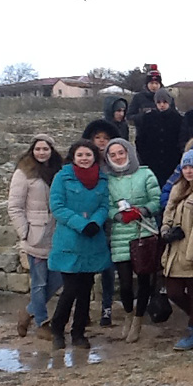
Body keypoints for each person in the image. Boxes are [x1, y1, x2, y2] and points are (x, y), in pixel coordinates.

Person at [48, 140, 112, 350]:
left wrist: (95, 222)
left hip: (92, 239)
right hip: (70, 239)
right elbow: (57, 206)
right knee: (70, 288)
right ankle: (58, 329)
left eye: (88, 155)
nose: (84, 159)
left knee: (86, 289)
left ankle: (79, 332)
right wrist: (81, 224)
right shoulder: (62, 177)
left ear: (95, 157)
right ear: (73, 157)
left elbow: (104, 205)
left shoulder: (102, 179)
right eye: (80, 155)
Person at [103, 138, 161, 343]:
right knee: (125, 284)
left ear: (129, 152)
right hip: (121, 234)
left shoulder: (145, 174)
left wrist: (142, 210)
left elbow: (156, 200)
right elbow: (106, 205)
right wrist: (117, 215)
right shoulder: (107, 180)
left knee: (144, 280)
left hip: (142, 231)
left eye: (121, 152)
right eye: (113, 154)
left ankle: (138, 320)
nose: (118, 157)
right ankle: (128, 314)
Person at [10, 134, 63, 340]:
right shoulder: (24, 173)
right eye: (38, 149)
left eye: (45, 149)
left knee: (58, 278)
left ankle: (28, 311)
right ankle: (42, 323)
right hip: (36, 234)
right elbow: (15, 206)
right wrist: (25, 232)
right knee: (39, 282)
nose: (42, 152)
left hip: (57, 234)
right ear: (32, 151)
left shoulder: (58, 171)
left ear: (52, 150)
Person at [161, 149, 193, 351]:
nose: (189, 171)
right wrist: (166, 230)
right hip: (175, 248)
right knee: (174, 292)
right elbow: (168, 212)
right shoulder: (178, 188)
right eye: (186, 167)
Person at [80, 118, 119, 326]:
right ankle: (84, 309)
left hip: (111, 221)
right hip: (89, 221)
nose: (102, 142)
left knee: (107, 268)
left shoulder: (116, 163)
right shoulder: (85, 163)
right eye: (98, 138)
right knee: (85, 269)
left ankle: (106, 308)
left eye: (106, 138)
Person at [135, 88, 183, 185]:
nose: (162, 105)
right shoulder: (147, 118)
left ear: (169, 102)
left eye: (164, 102)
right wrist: (145, 158)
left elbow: (181, 139)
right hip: (152, 162)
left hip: (171, 162)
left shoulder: (178, 119)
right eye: (159, 102)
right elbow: (140, 140)